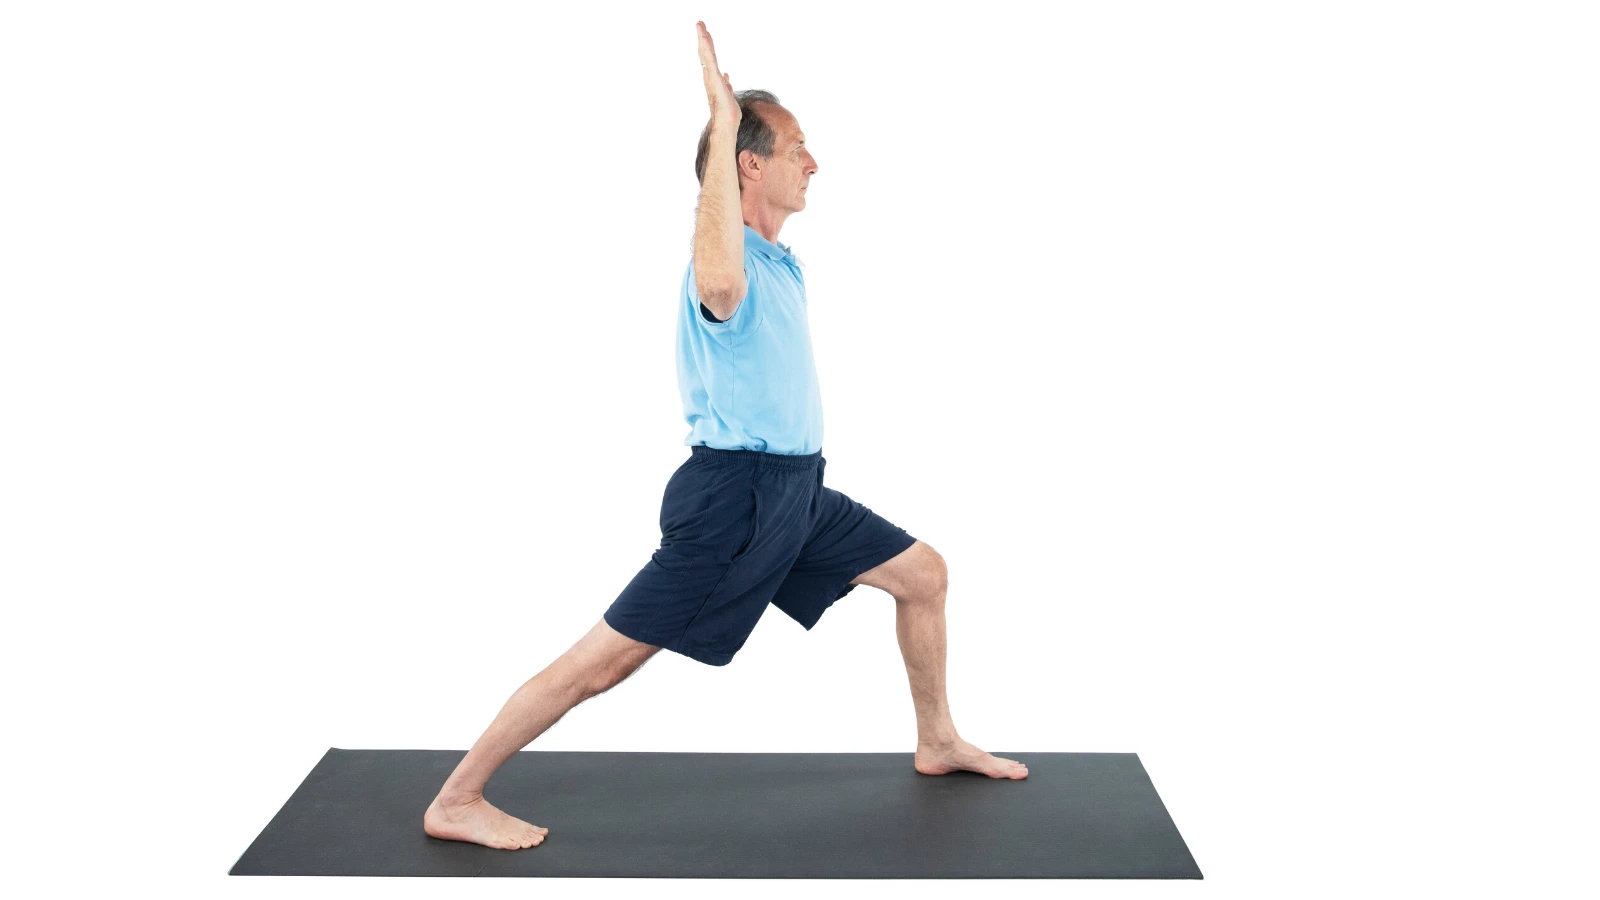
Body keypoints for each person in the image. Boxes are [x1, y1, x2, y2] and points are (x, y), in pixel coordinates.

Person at [422, 20, 1027, 852]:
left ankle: (937, 739)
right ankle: (457, 798)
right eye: (796, 147)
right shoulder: (727, 262)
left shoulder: (782, 261)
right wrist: (718, 115)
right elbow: (714, 273)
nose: (814, 161)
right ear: (748, 163)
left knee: (923, 575)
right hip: (732, 500)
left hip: (799, 495)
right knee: (603, 663)